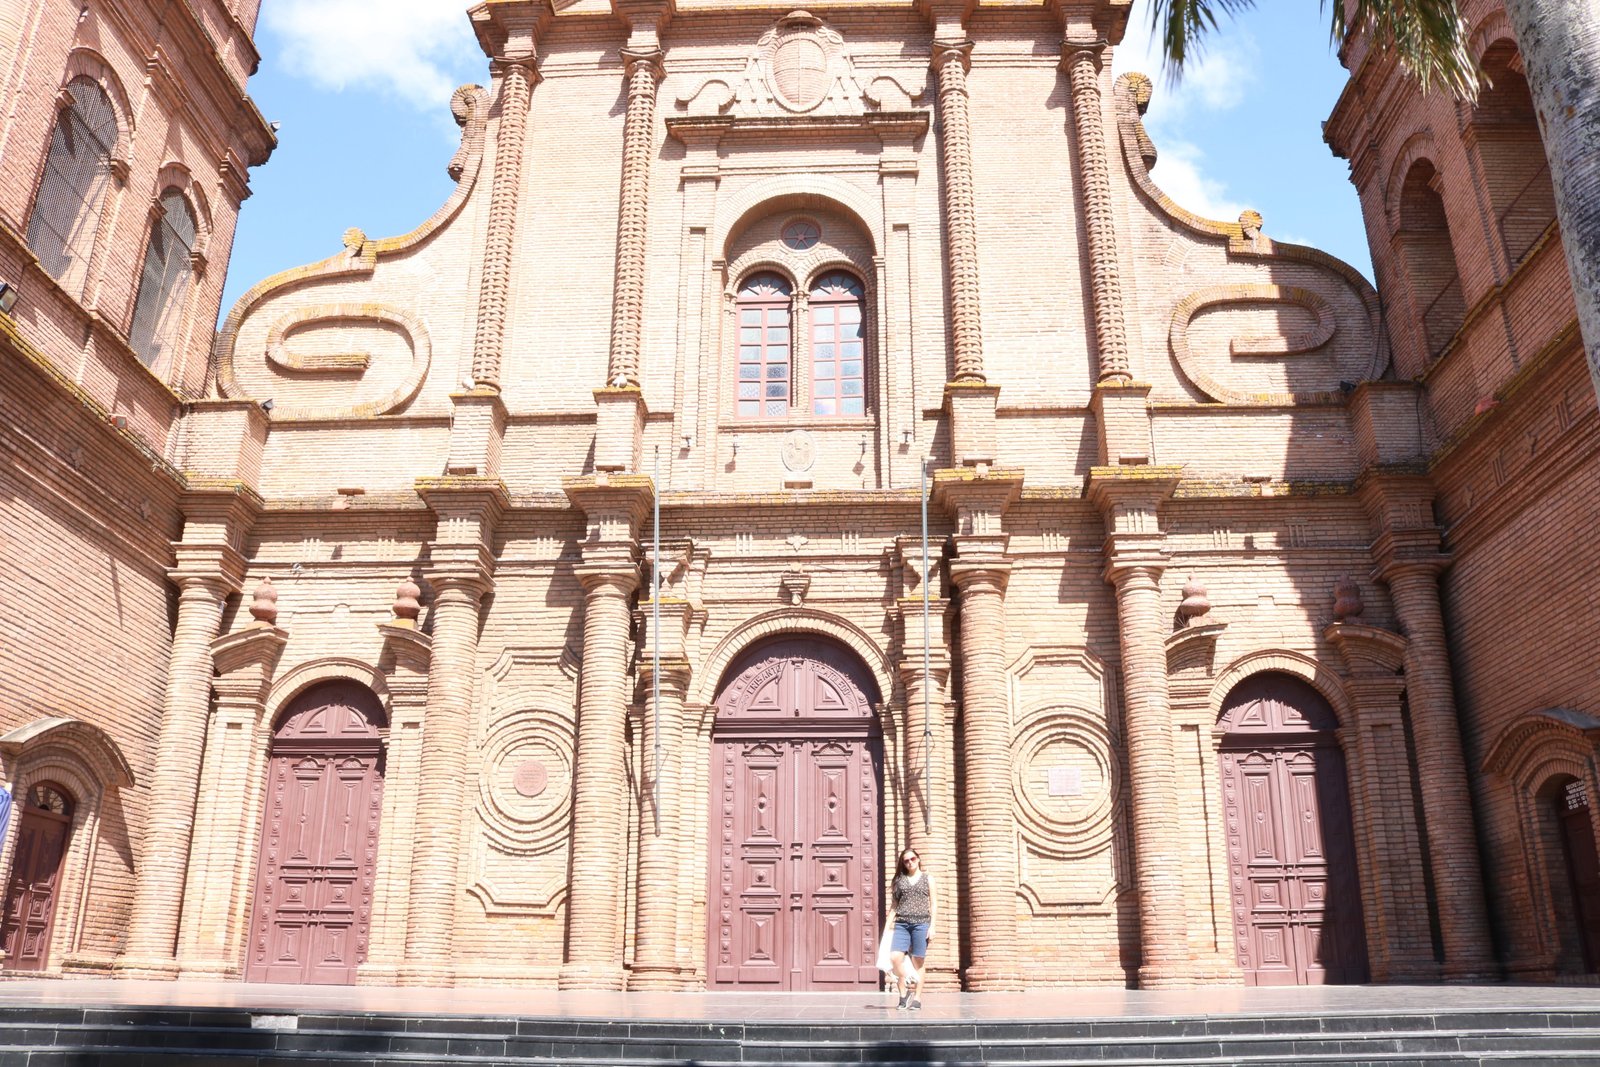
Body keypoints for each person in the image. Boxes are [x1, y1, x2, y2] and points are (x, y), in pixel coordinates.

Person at [885, 847, 935, 1010]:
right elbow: (894, 906)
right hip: (901, 924)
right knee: (895, 958)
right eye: (906, 861)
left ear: (918, 859)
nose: (910, 862)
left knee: (917, 961)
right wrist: (886, 927)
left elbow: (933, 904)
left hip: (921, 924)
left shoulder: (928, 879)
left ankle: (917, 999)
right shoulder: (900, 880)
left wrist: (932, 925)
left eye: (912, 859)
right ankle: (905, 991)